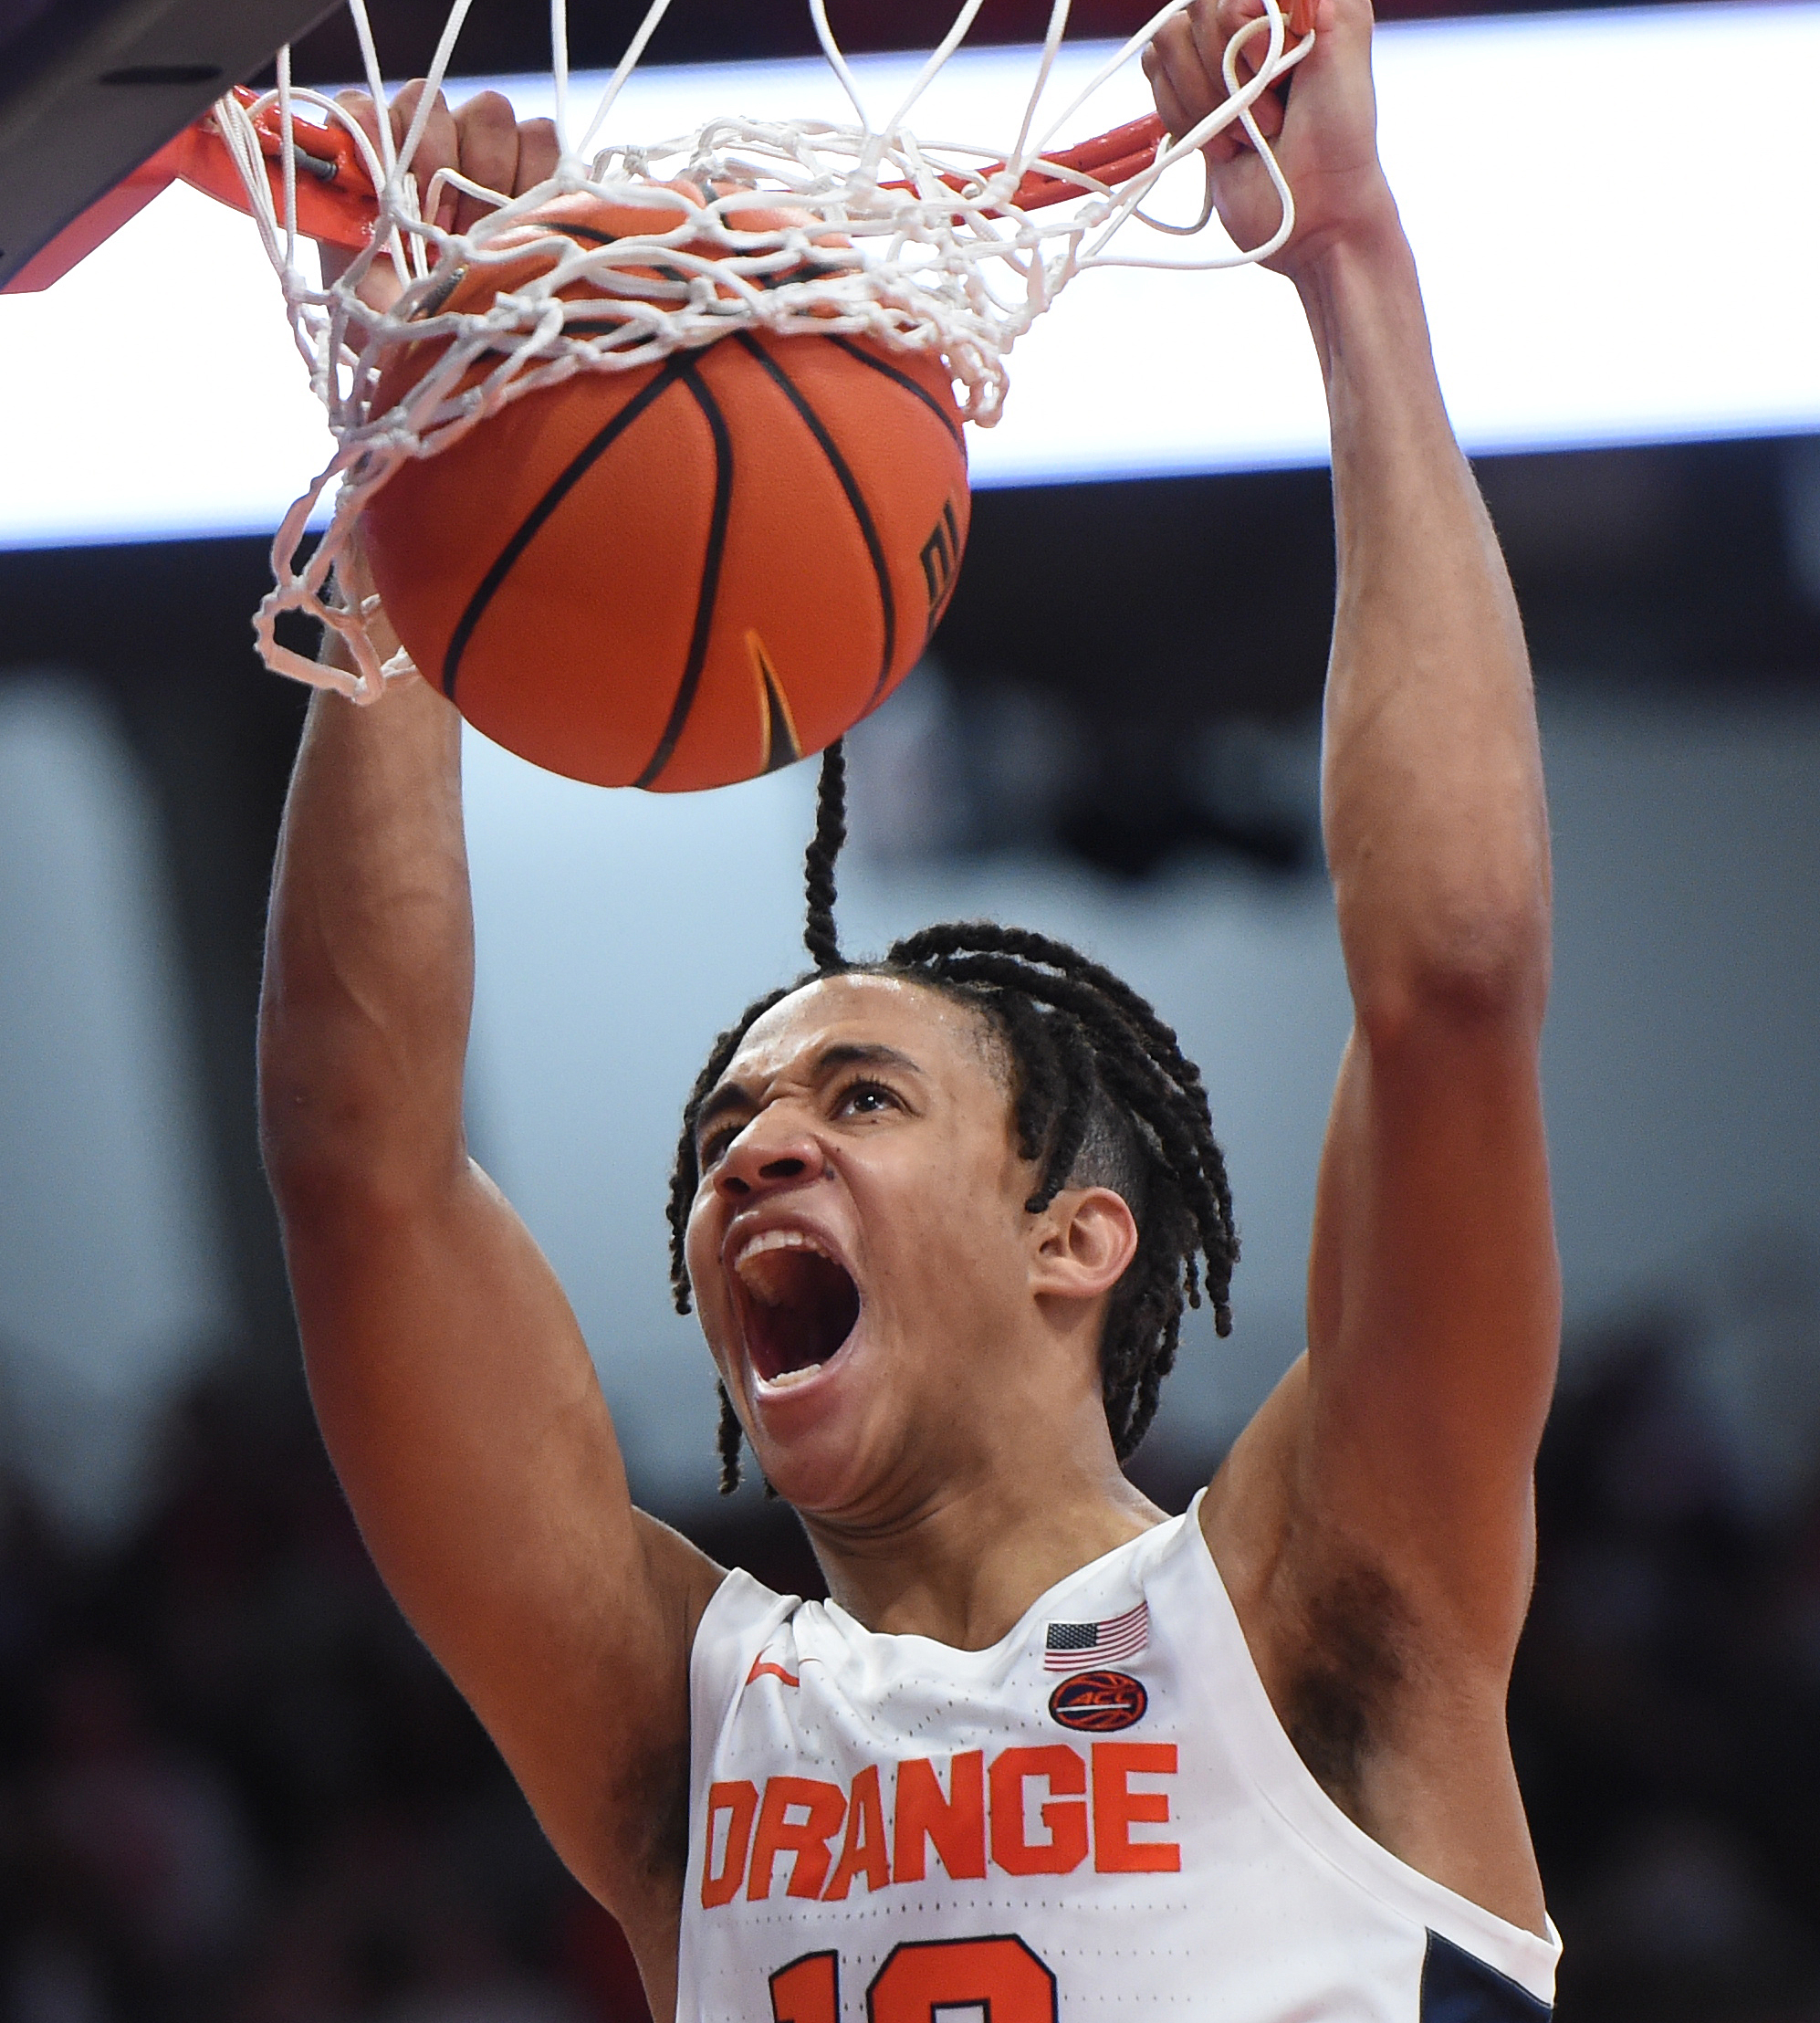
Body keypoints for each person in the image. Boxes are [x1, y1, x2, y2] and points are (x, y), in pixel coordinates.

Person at [258, 0, 1562, 2016]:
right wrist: (430, 446)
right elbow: (361, 1166)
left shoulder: (1314, 1609)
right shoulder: (686, 1728)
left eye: (859, 1098)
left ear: (1079, 1239)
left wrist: (1349, 260)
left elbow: (1456, 977)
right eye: (724, 1141)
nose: (753, 1148)